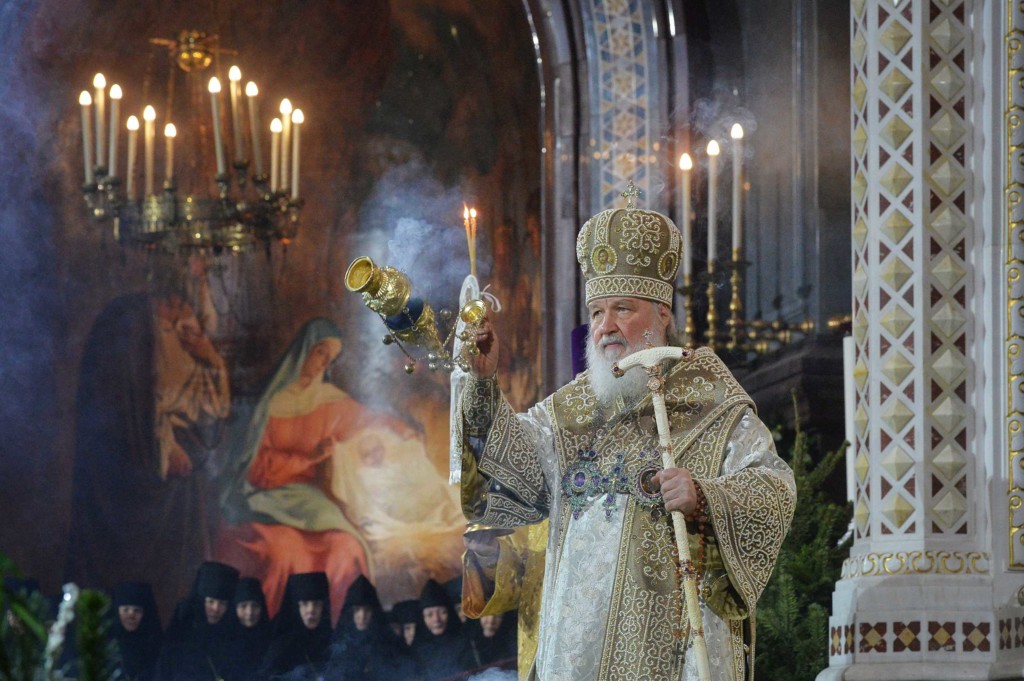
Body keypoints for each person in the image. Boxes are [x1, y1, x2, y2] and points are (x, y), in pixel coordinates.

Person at [456, 196, 797, 680]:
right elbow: (508, 473)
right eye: (597, 312)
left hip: (672, 645)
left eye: (622, 309)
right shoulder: (572, 408)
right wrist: (482, 384)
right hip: (577, 653)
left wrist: (705, 497)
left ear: (662, 314)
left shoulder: (711, 400)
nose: (605, 327)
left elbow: (773, 487)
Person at [66, 263, 231, 620]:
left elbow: (208, 402)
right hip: (128, 469)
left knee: (178, 573)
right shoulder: (129, 322)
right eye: (193, 281)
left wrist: (207, 354)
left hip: (177, 474)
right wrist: (163, 444)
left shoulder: (184, 327)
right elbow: (131, 399)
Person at [217, 318, 373, 624]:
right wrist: (308, 459)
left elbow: (372, 423)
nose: (323, 363)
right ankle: (273, 634)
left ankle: (340, 635)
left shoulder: (329, 400)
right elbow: (258, 470)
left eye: (330, 359)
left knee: (346, 547)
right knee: (285, 553)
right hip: (263, 499)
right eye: (320, 352)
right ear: (304, 350)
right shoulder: (270, 403)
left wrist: (402, 434)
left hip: (309, 500)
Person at [159, 561, 239, 681]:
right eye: (211, 601)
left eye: (222, 603)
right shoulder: (182, 629)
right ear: (201, 601)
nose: (216, 608)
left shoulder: (232, 634)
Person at [327, 575, 417, 680]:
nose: (362, 616)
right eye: (357, 610)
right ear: (350, 612)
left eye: (367, 610)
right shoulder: (339, 645)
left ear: (374, 612)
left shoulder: (389, 643)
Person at [260, 571, 333, 679]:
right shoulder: (281, 648)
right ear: (295, 607)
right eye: (304, 604)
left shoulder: (334, 640)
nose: (311, 610)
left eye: (317, 604)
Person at [412, 579, 470, 681]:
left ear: (450, 613)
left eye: (442, 612)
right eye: (429, 614)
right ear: (422, 618)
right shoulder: (416, 651)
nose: (436, 619)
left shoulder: (467, 642)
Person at [109, 581, 162, 681]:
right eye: (125, 610)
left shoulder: (156, 647)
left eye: (137, 610)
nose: (131, 616)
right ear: (116, 611)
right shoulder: (106, 647)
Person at [221, 577, 270, 681]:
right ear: (234, 608)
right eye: (243, 606)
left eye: (255, 606)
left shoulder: (272, 639)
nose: (250, 612)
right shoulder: (223, 641)